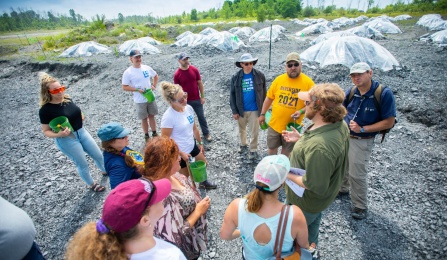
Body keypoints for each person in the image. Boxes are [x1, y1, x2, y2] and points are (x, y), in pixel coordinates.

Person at [282, 83, 349, 253]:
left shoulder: (320, 147)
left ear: (319, 107)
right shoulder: (338, 124)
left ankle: (298, 254)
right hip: (316, 203)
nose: (304, 106)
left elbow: (315, 184)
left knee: (291, 237)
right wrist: (302, 139)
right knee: (311, 230)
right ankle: (311, 251)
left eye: (307, 103)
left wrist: (286, 173)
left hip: (305, 202)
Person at [65, 179, 187, 260]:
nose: (162, 199)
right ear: (145, 221)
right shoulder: (171, 256)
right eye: (156, 199)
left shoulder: (109, 251)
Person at [220, 155, 309, 260]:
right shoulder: (295, 215)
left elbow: (225, 235)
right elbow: (304, 246)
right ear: (282, 184)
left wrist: (241, 231)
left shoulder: (236, 206)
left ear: (255, 178)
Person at [339, 62, 397, 220]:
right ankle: (343, 189)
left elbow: (389, 122)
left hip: (362, 139)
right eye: (353, 75)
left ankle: (360, 206)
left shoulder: (383, 94)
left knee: (357, 173)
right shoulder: (351, 91)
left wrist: (363, 129)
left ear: (370, 73)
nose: (356, 78)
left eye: (359, 74)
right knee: (343, 165)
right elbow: (341, 109)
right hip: (345, 136)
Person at [142, 136, 210, 259]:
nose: (179, 158)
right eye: (175, 157)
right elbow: (175, 235)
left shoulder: (171, 175)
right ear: (165, 163)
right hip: (184, 250)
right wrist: (198, 211)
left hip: (193, 235)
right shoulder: (162, 196)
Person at [38, 72, 106, 192]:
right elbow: (46, 131)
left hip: (82, 132)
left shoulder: (67, 99)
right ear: (47, 92)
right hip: (67, 139)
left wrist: (81, 115)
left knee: (98, 155)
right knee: (82, 163)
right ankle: (91, 184)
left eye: (61, 88)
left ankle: (105, 170)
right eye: (55, 90)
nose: (60, 92)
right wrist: (59, 134)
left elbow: (76, 112)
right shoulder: (45, 110)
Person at [160, 81, 217, 189]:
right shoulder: (168, 117)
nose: (185, 100)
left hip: (192, 146)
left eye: (184, 96)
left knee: (203, 164)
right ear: (171, 101)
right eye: (180, 99)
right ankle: (188, 196)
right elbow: (165, 140)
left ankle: (203, 183)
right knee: (184, 178)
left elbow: (194, 128)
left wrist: (200, 143)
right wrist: (180, 153)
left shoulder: (188, 108)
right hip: (179, 153)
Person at [259, 52, 315, 157]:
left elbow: (313, 103)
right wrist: (262, 114)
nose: (293, 67)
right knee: (271, 149)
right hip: (274, 124)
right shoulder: (279, 80)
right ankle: (272, 169)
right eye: (290, 65)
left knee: (286, 153)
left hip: (292, 127)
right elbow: (269, 98)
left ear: (301, 65)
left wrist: (301, 111)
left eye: (296, 64)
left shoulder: (308, 83)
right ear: (286, 67)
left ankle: (282, 170)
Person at [230, 53, 267, 159]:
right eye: (246, 64)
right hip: (241, 109)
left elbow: (264, 93)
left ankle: (253, 149)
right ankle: (243, 144)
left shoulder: (260, 75)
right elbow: (232, 95)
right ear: (241, 64)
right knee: (242, 129)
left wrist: (264, 111)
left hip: (255, 109)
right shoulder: (236, 77)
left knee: (254, 131)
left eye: (251, 63)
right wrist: (234, 111)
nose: (249, 66)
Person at [122, 49, 159, 142]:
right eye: (136, 57)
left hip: (150, 96)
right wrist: (137, 90)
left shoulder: (146, 68)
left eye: (139, 57)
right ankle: (146, 135)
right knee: (143, 118)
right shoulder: (128, 72)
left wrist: (154, 85)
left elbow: (155, 75)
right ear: (131, 59)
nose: (138, 59)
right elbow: (124, 86)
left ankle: (154, 132)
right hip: (139, 99)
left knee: (152, 115)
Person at [174, 52, 212, 142]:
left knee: (201, 117)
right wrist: (179, 101)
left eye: (187, 59)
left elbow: (199, 83)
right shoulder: (177, 74)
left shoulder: (194, 69)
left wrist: (202, 96)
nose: (186, 61)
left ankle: (206, 133)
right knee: (187, 119)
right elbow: (176, 89)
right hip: (185, 102)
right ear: (179, 61)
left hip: (196, 99)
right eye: (184, 59)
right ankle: (191, 136)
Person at [97, 122, 142, 189]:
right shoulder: (117, 166)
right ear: (111, 142)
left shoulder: (120, 148)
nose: (127, 137)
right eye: (123, 137)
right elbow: (117, 192)